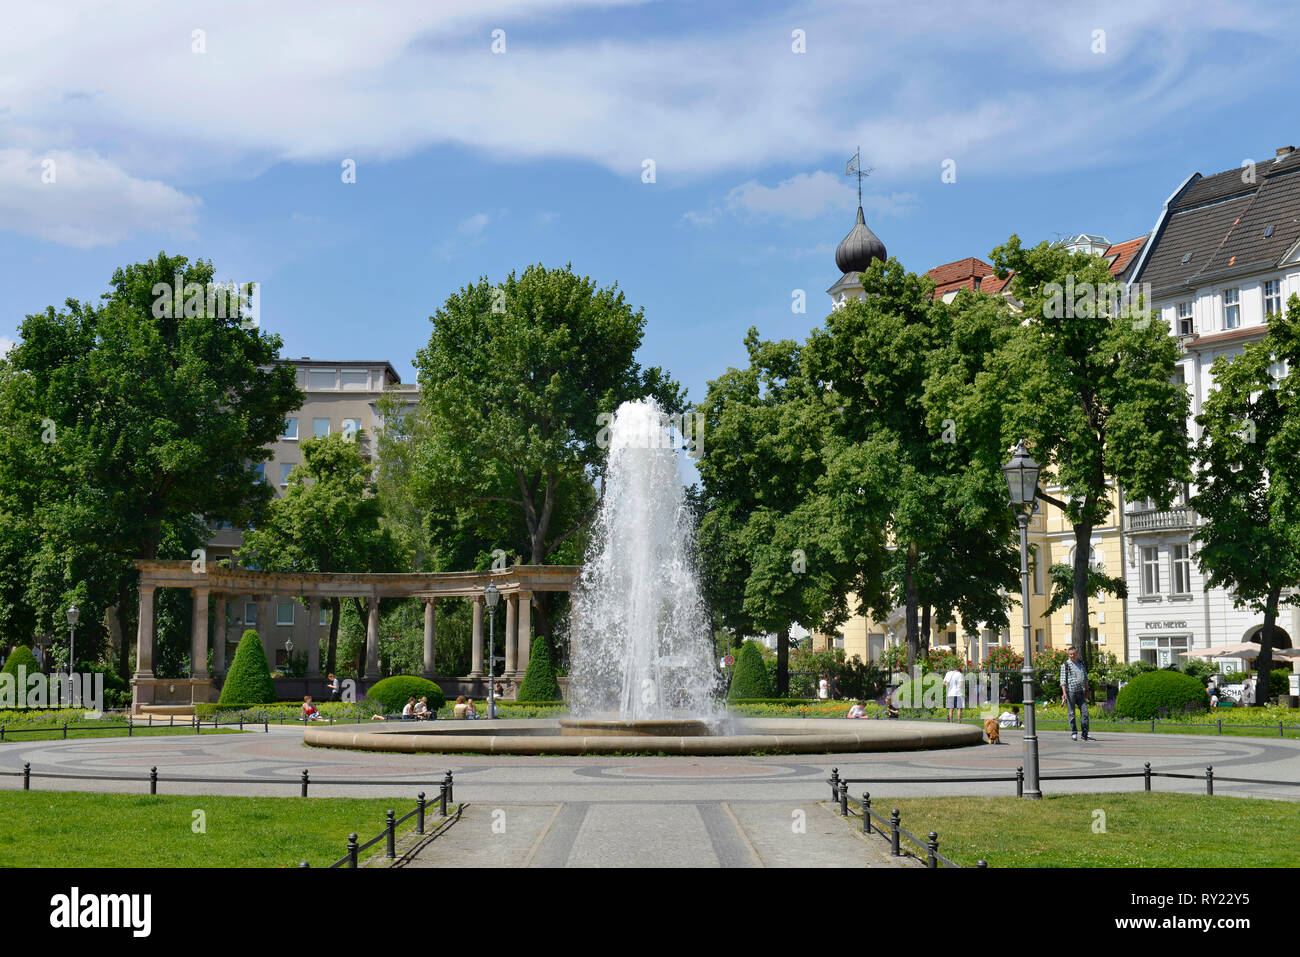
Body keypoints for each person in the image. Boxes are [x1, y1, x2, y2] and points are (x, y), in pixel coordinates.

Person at [1059, 646, 1092, 741]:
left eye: (1073, 654)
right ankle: (1074, 732)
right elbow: (1062, 681)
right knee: (1071, 713)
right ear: (1068, 655)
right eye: (1070, 654)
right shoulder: (1066, 665)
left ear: (1076, 654)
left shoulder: (1080, 663)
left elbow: (1085, 678)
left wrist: (1087, 690)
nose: (1072, 656)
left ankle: (1085, 733)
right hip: (1071, 692)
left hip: (1081, 692)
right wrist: (1064, 693)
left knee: (1085, 712)